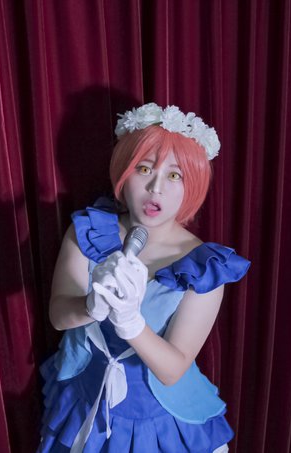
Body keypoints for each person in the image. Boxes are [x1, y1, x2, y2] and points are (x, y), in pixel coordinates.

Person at [39, 103, 250, 452]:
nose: (156, 188)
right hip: (84, 402)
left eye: (174, 176)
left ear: (192, 185)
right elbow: (59, 316)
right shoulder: (88, 231)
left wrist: (131, 323)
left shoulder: (205, 268)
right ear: (124, 172)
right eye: (144, 168)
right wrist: (91, 305)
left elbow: (172, 370)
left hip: (159, 423)